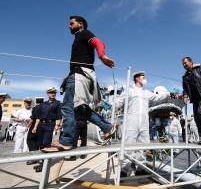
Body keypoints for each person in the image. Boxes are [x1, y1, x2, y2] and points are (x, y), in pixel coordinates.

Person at [42, 16, 115, 152]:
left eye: (71, 23)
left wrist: (102, 56)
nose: (69, 26)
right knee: (79, 109)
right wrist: (70, 74)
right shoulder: (78, 37)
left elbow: (99, 42)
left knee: (67, 107)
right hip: (79, 74)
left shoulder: (83, 33)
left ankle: (66, 141)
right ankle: (107, 127)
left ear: (80, 24)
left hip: (80, 75)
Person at [116, 71, 169, 177]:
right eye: (142, 77)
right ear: (137, 78)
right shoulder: (129, 91)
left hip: (144, 122)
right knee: (129, 145)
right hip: (131, 121)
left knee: (143, 145)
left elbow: (157, 97)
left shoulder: (146, 92)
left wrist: (167, 94)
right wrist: (114, 111)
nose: (144, 78)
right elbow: (119, 102)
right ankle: (124, 170)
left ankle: (141, 168)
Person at [26, 97, 44, 165]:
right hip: (44, 126)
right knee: (40, 143)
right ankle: (41, 159)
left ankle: (33, 158)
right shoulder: (46, 107)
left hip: (35, 127)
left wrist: (28, 125)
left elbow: (34, 118)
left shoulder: (36, 108)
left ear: (36, 102)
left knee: (30, 140)